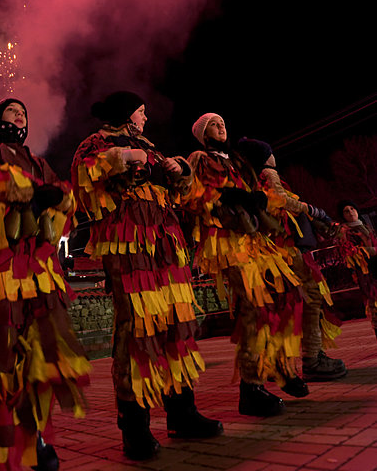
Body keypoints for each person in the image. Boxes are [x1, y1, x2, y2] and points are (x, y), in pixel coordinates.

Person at [71, 92, 222, 462]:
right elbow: (83, 178)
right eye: (141, 112)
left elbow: (186, 195)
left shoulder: (151, 148)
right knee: (138, 329)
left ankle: (181, 412)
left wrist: (181, 173)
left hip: (167, 246)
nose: (145, 119)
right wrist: (124, 158)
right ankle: (135, 427)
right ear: (126, 114)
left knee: (177, 324)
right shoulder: (97, 143)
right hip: (128, 247)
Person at [0, 97, 90, 471]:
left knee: (37, 359)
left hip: (39, 276)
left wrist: (57, 199)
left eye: (23, 110)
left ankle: (33, 436)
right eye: (11, 110)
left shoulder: (38, 160)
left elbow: (63, 197)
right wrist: (27, 193)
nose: (20, 114)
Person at [187, 114, 305, 417]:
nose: (221, 126)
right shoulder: (199, 158)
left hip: (253, 237)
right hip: (226, 239)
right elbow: (193, 195)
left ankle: (279, 367)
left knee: (284, 294)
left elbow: (256, 190)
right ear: (202, 134)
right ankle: (250, 388)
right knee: (253, 306)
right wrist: (225, 197)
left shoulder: (237, 160)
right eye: (213, 124)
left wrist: (257, 199)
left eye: (222, 122)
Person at [237, 138, 346, 383]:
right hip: (291, 249)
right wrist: (313, 211)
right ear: (264, 157)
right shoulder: (268, 174)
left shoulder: (260, 178)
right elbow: (281, 200)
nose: (274, 156)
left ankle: (311, 356)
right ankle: (312, 359)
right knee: (310, 299)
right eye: (270, 152)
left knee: (307, 301)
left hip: (290, 247)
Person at [338, 200, 377, 338]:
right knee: (374, 305)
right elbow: (351, 253)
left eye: (352, 208)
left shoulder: (366, 226)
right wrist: (373, 250)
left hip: (375, 267)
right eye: (346, 211)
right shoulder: (345, 232)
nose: (350, 212)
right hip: (365, 273)